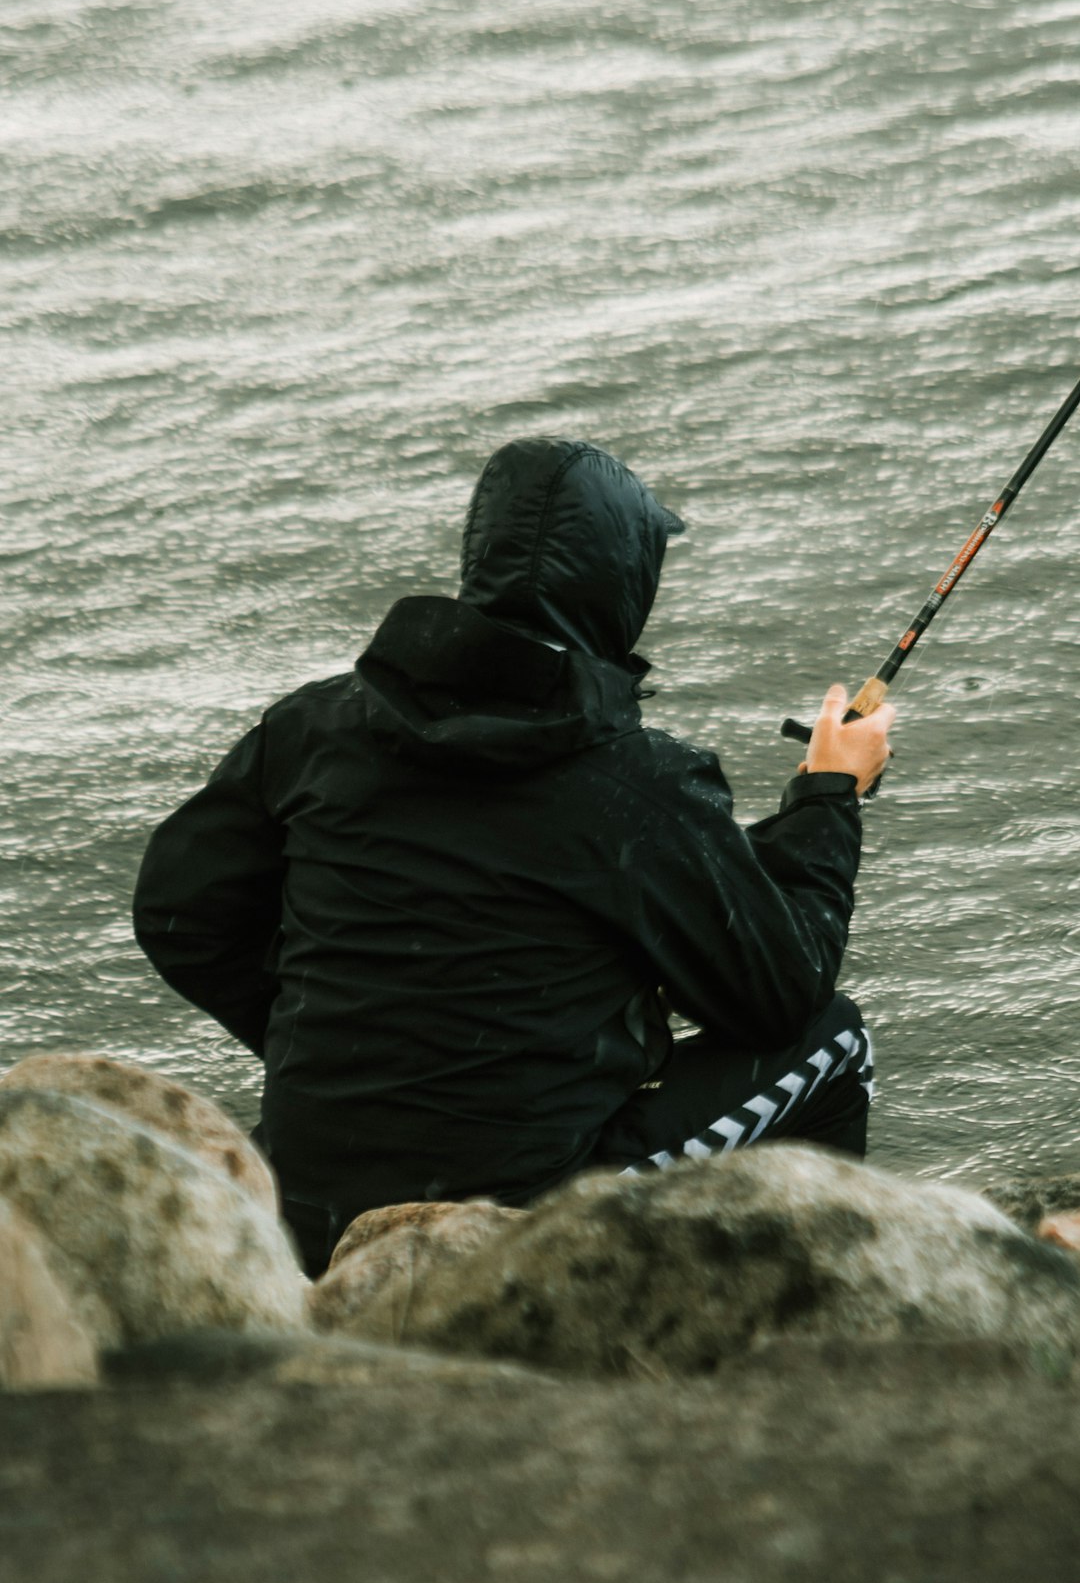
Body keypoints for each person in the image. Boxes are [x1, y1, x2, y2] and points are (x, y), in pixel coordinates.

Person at [133, 437, 895, 1276]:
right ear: (625, 582)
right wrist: (829, 794)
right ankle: (788, 1319)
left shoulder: (314, 730)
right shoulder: (638, 782)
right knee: (833, 1041)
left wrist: (335, 1046)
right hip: (516, 1222)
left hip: (308, 1202)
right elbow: (779, 995)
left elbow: (180, 916)